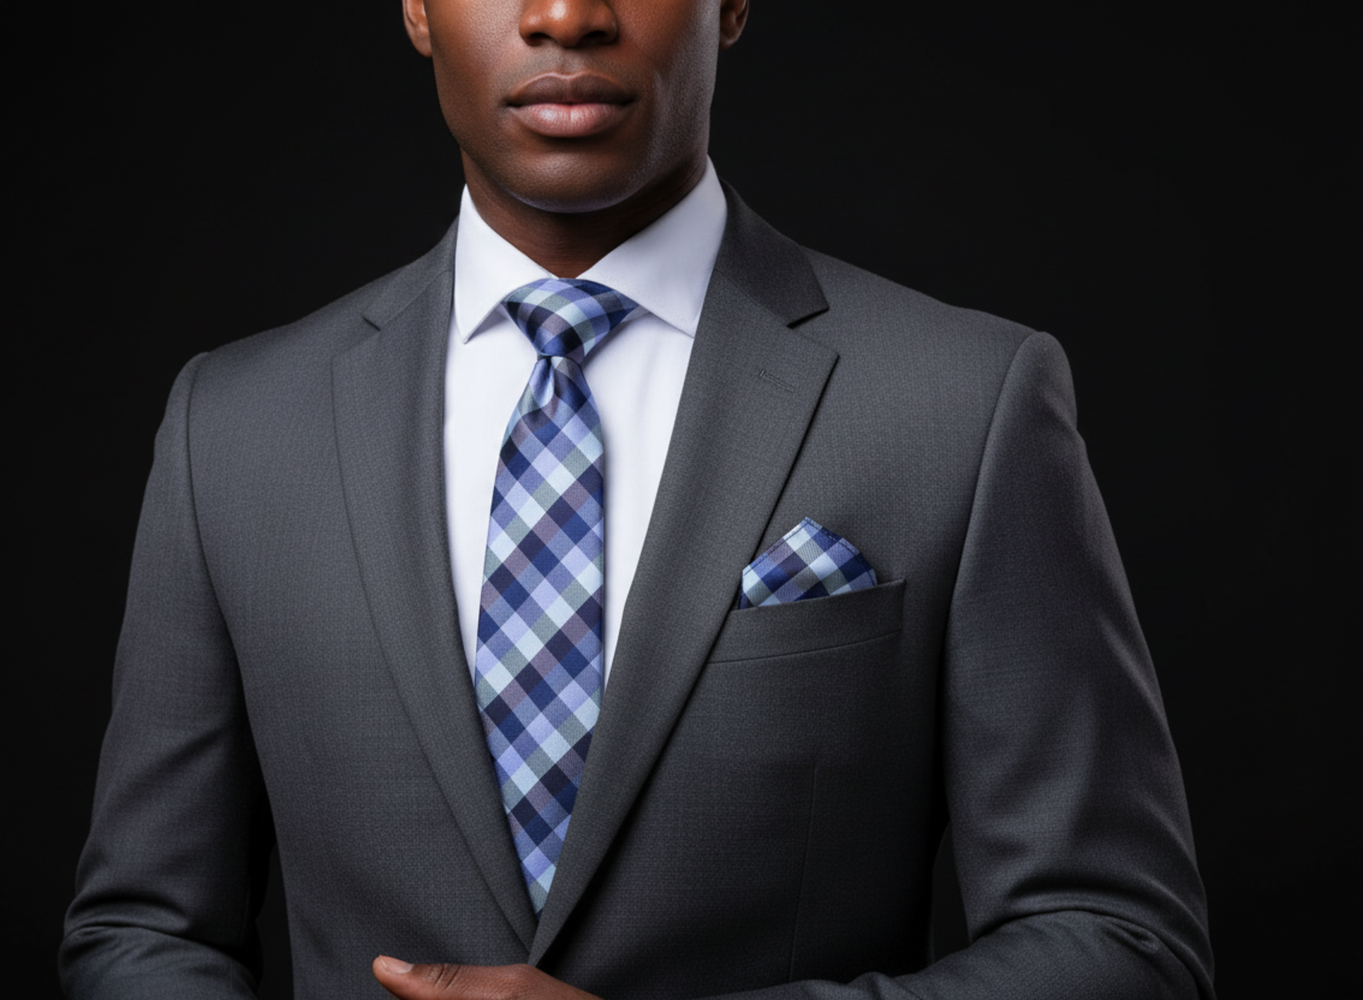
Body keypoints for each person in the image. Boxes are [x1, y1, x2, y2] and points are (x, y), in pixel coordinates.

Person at [61, 1, 1215, 998]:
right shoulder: (236, 427)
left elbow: (1119, 940)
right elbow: (143, 930)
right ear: (415, 8)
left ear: (735, 4)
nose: (567, 15)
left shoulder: (962, 404)